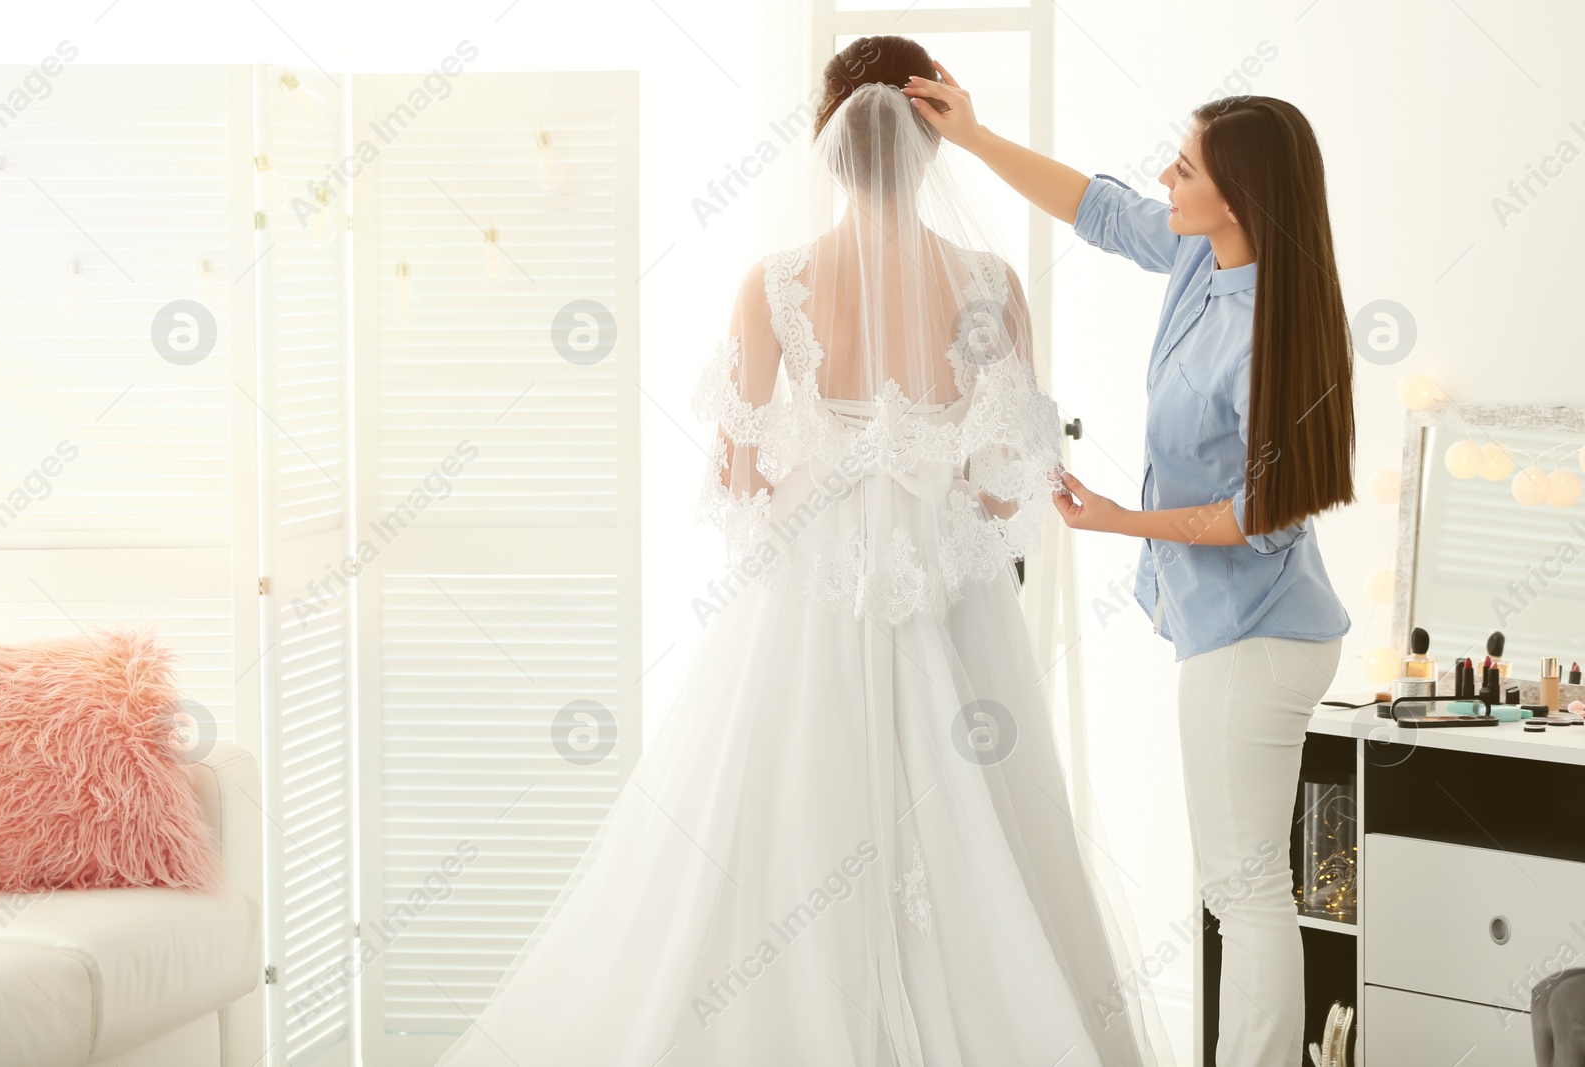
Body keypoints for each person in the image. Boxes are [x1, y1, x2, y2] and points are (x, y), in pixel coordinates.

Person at [434, 35, 1169, 1067]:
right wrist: (928, 484)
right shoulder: (991, 282)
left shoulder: (776, 282)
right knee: (985, 832)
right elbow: (1011, 477)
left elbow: (736, 476)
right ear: (931, 140)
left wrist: (831, 487)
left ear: (828, 143)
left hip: (815, 591)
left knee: (766, 828)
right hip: (950, 594)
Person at [903, 71, 1354, 1067]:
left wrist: (1119, 519)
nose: (1166, 176)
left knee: (1245, 889)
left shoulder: (1262, 329)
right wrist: (973, 136)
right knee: (1235, 883)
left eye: (1184, 167)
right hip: (1237, 629)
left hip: (1257, 635)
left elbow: (1258, 516)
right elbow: (1099, 210)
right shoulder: (1202, 254)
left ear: (1234, 197)